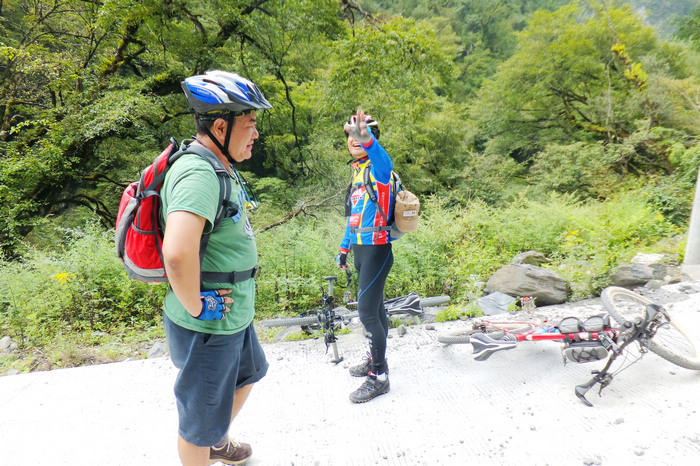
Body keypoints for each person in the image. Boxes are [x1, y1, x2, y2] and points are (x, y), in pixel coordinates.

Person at [160, 70, 271, 466]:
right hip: (210, 325)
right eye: (250, 123)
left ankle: (217, 441)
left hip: (231, 315)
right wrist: (197, 306)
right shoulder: (198, 173)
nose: (256, 132)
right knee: (198, 423)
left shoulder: (217, 163)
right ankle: (207, 443)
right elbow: (176, 253)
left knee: (249, 373)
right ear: (220, 126)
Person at [337, 110, 397, 403]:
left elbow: (385, 161)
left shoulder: (378, 170)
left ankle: (379, 376)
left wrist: (368, 140)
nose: (354, 140)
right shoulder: (358, 174)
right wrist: (344, 249)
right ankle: (375, 359)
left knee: (366, 313)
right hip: (361, 249)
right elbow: (354, 218)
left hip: (377, 249)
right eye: (351, 136)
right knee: (377, 309)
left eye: (360, 134)